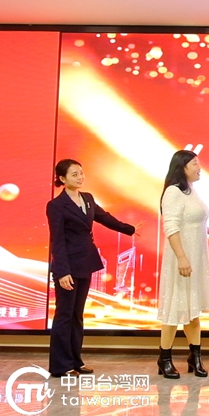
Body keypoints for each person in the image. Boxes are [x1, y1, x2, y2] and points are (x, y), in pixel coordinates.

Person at [46, 159, 140, 377]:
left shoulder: (87, 198)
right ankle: (60, 366)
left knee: (77, 314)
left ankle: (75, 361)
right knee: (64, 315)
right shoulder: (56, 205)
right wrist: (62, 272)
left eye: (81, 173)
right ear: (62, 179)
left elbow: (104, 217)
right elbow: (57, 241)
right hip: (67, 267)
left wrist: (129, 229)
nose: (80, 177)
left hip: (85, 263)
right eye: (74, 174)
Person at [157, 150, 209, 379]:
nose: (199, 167)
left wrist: (208, 230)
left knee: (193, 309)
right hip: (181, 260)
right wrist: (182, 257)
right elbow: (171, 227)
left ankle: (194, 358)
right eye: (195, 163)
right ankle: (164, 358)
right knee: (175, 308)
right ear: (182, 167)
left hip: (196, 259)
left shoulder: (190, 190)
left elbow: (190, 220)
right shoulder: (173, 192)